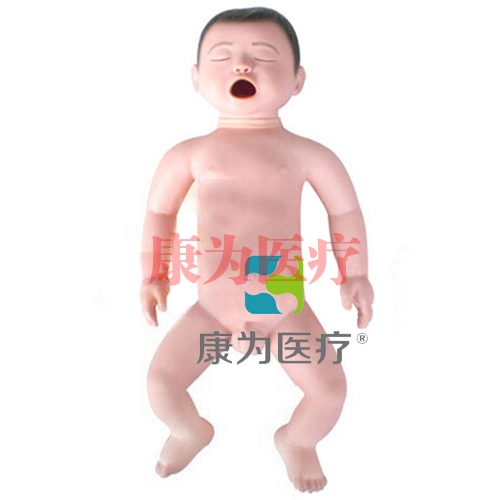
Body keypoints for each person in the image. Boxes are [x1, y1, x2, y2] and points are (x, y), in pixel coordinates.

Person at [140, 7, 374, 494]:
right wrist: (154, 274)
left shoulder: (309, 154)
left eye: (263, 57)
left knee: (330, 393)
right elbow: (160, 215)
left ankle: (297, 440)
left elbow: (345, 212)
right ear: (196, 78)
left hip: (281, 301)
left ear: (297, 80)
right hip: (213, 306)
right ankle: (189, 430)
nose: (242, 66)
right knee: (161, 384)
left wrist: (355, 274)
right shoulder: (188, 154)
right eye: (222, 57)